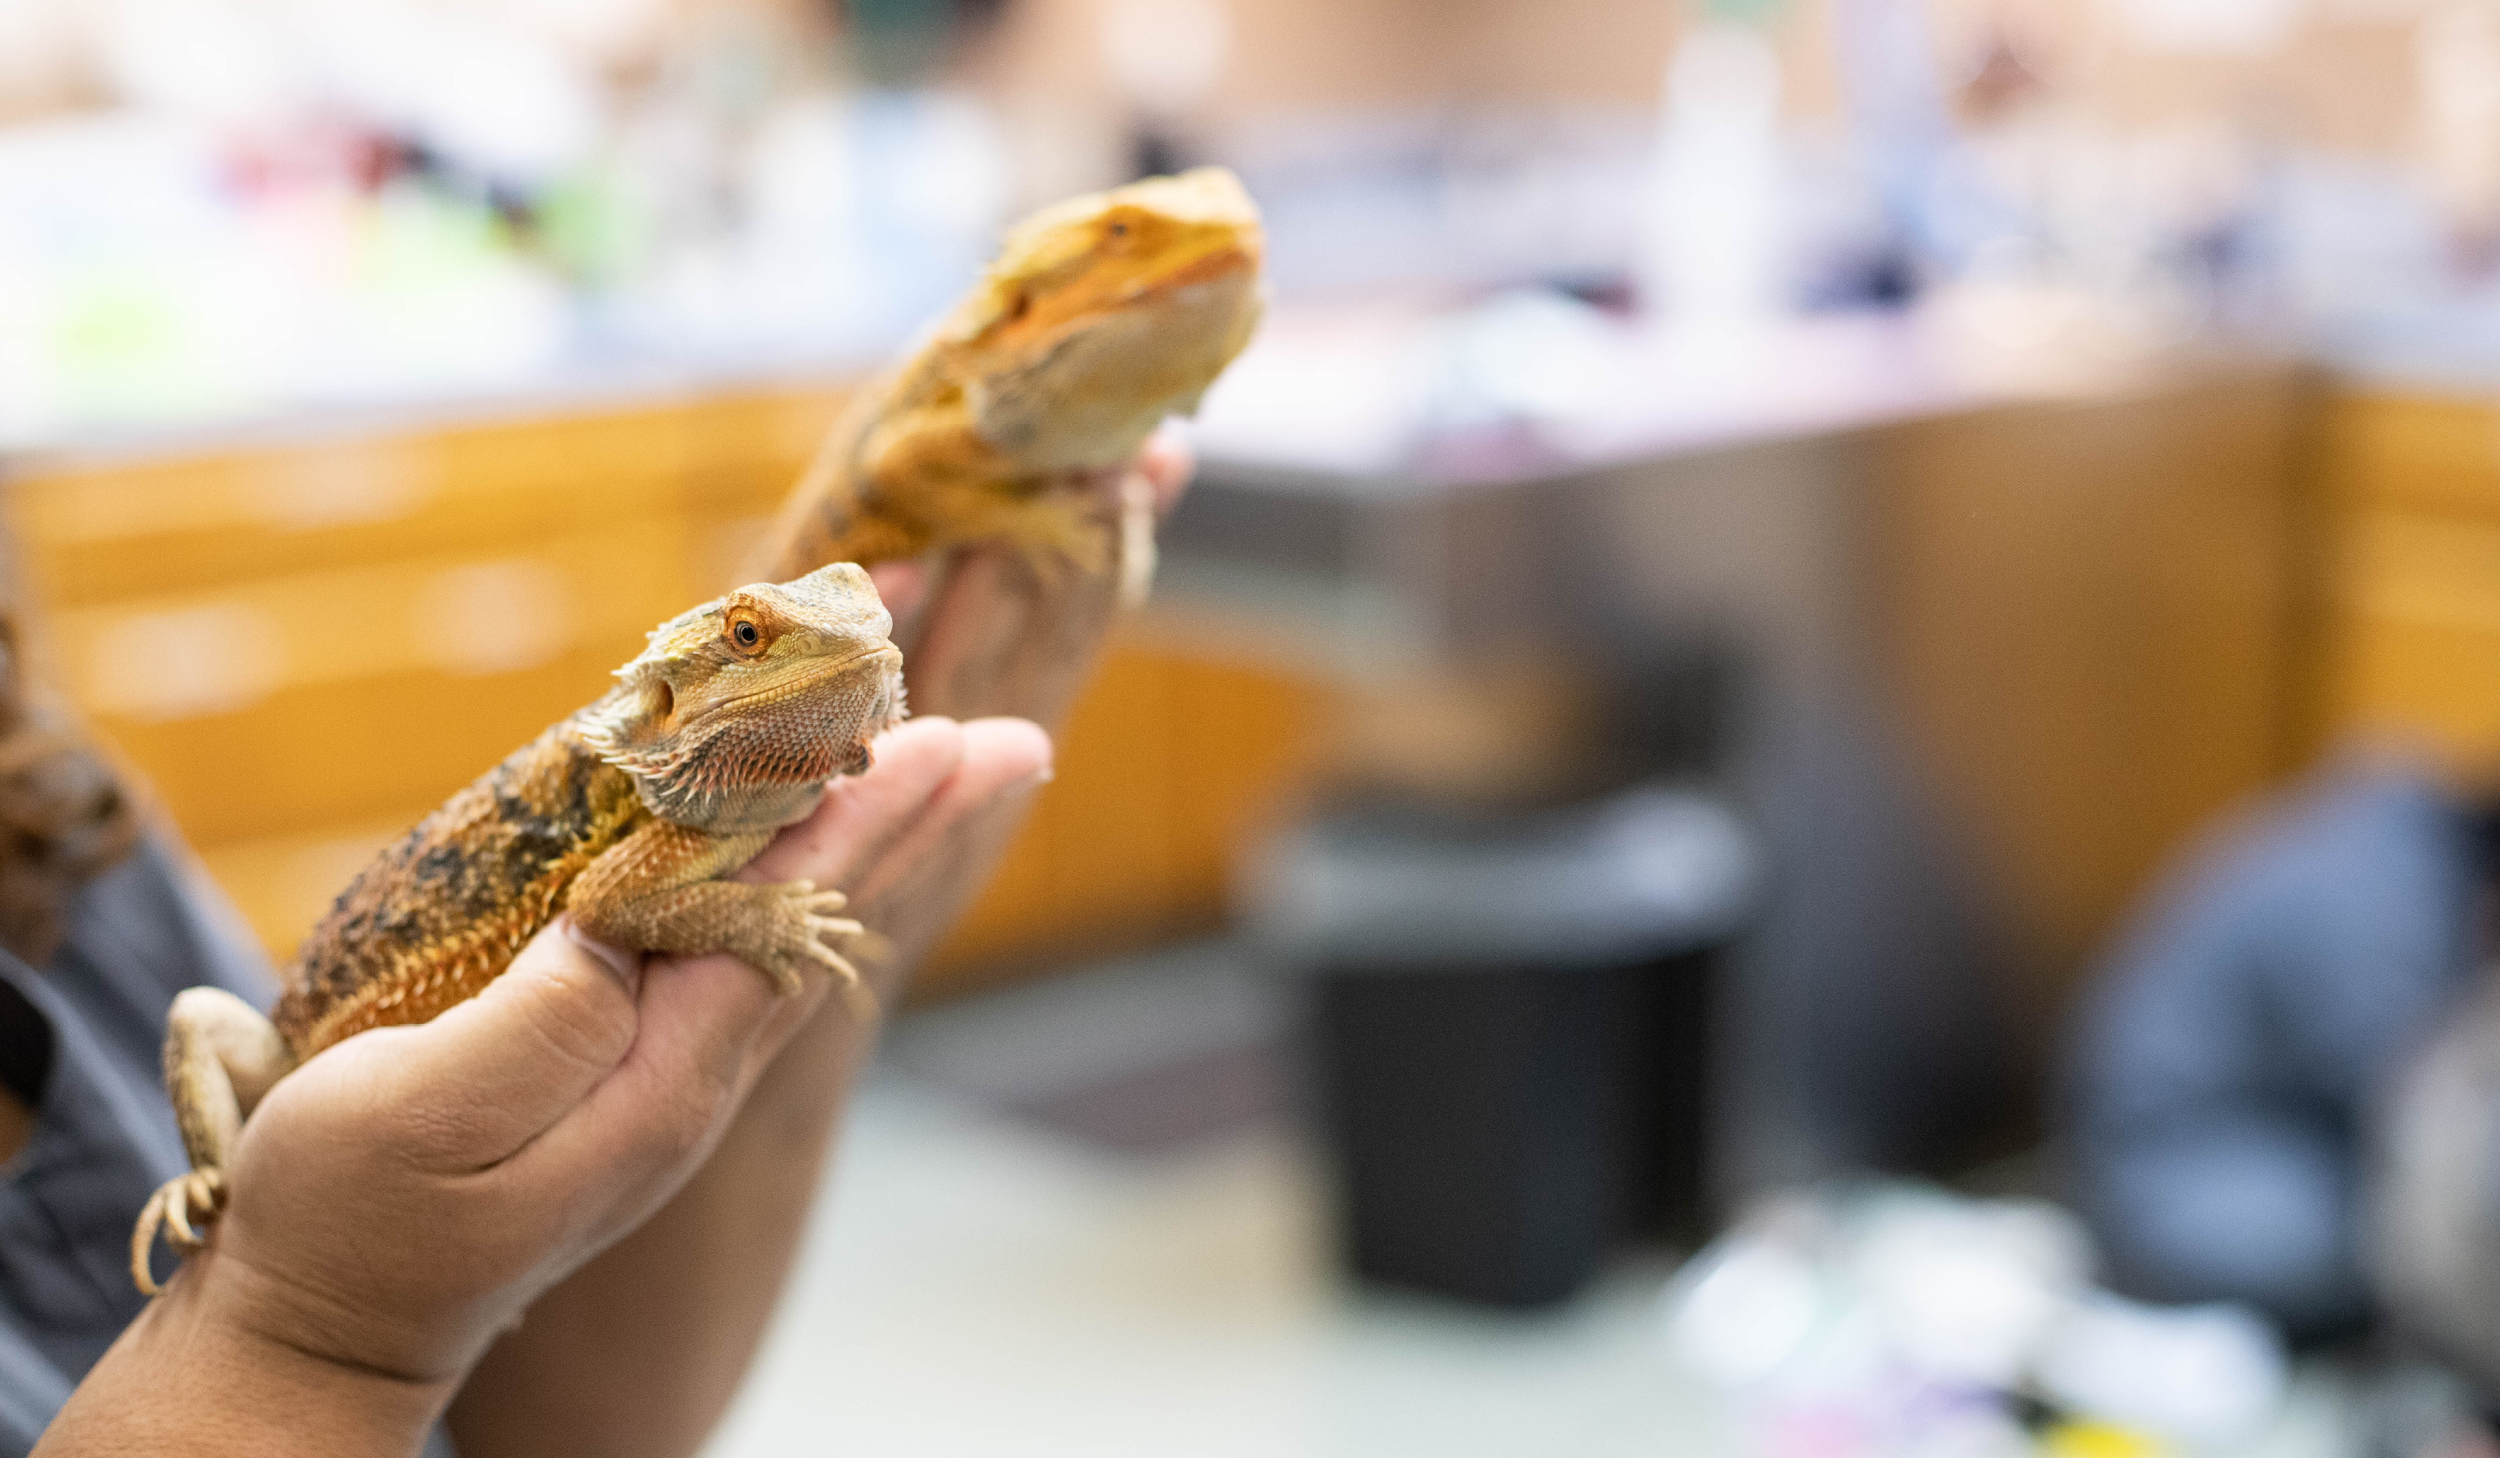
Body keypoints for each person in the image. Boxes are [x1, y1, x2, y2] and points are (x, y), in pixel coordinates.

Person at [10, 435, 1192, 1458]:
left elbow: (564, 1430)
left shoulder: (57, 809)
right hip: (311, 1054)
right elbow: (616, 906)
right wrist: (304, 1322)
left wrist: (839, 978)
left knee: (208, 1019)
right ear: (677, 699)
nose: (841, 646)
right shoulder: (645, 830)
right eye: (747, 638)